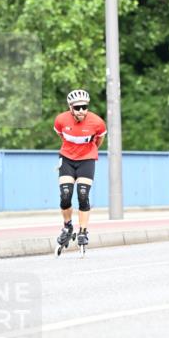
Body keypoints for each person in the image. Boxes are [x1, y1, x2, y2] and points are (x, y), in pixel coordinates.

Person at [53, 89, 107, 255]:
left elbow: (100, 139)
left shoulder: (97, 122)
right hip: (67, 158)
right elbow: (61, 136)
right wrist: (72, 150)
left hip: (87, 159)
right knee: (65, 194)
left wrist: (89, 152)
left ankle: (83, 231)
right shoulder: (61, 120)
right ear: (70, 108)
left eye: (84, 107)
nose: (82, 111)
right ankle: (68, 226)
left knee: (83, 195)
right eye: (77, 108)